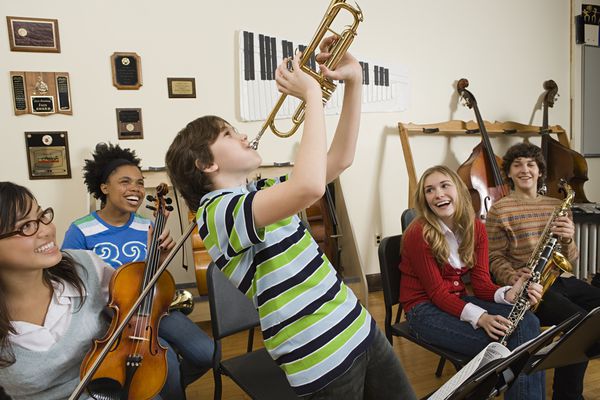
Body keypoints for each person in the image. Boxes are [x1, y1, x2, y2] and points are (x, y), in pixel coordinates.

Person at [165, 37, 416, 400]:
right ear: (207, 164)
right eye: (229, 134)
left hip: (357, 326)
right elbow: (310, 186)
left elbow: (340, 159)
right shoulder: (215, 212)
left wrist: (355, 81)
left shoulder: (262, 190)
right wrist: (312, 95)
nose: (244, 134)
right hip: (318, 356)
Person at [61, 143, 213, 400]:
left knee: (207, 353)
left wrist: (162, 259)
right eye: (125, 182)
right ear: (104, 187)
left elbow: (157, 281)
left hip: (153, 311)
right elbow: (67, 283)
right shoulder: (81, 230)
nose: (136, 189)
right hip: (110, 318)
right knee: (169, 363)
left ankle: (155, 389)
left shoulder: (148, 225)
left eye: (140, 183)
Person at [400, 165, 545, 400]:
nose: (438, 194)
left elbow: (481, 285)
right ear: (424, 199)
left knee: (529, 323)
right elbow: (437, 293)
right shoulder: (419, 233)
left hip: (455, 301)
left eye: (445, 185)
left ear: (458, 189)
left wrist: (509, 294)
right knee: (508, 343)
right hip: (422, 310)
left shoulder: (476, 227)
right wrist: (481, 318)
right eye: (430, 190)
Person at [486, 142, 600, 400]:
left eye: (531, 164)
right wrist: (514, 279)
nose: (524, 169)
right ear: (510, 173)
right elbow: (494, 258)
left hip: (561, 279)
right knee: (579, 322)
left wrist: (570, 239)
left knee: (595, 313)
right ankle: (567, 394)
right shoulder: (500, 209)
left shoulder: (556, 205)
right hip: (530, 287)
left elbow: (572, 257)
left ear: (539, 171)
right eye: (517, 165)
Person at [0, 181, 115, 399]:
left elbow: (135, 304)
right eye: (25, 226)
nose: (46, 230)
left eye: (42, 216)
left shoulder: (85, 265)